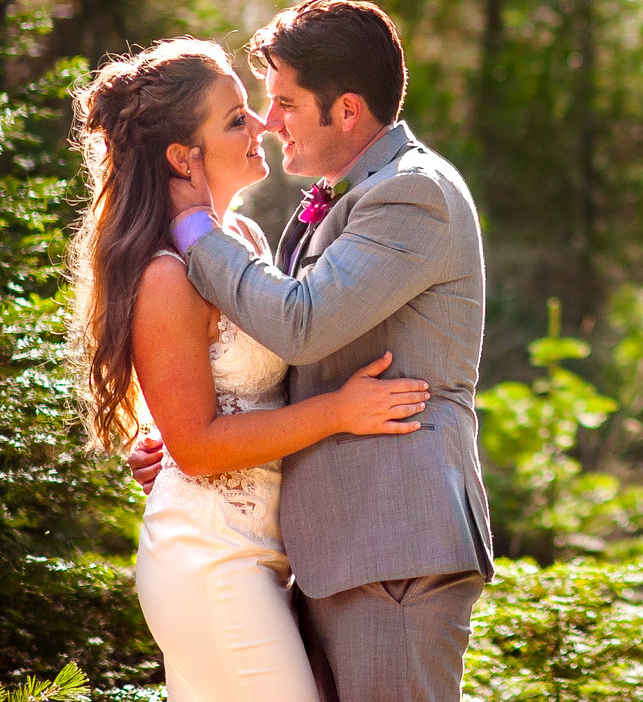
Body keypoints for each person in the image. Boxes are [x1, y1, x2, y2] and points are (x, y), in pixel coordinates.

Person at [136, 0, 495, 702]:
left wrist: (191, 230)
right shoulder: (353, 194)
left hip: (394, 547)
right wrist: (192, 440)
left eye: (287, 102)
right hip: (336, 552)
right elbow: (285, 364)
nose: (270, 123)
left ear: (349, 111)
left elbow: (302, 325)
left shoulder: (411, 195)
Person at [70, 37, 431, 702]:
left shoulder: (247, 245)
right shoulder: (166, 276)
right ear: (183, 156)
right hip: (210, 561)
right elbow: (199, 445)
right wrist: (340, 412)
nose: (263, 124)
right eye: (236, 118)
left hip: (265, 557)